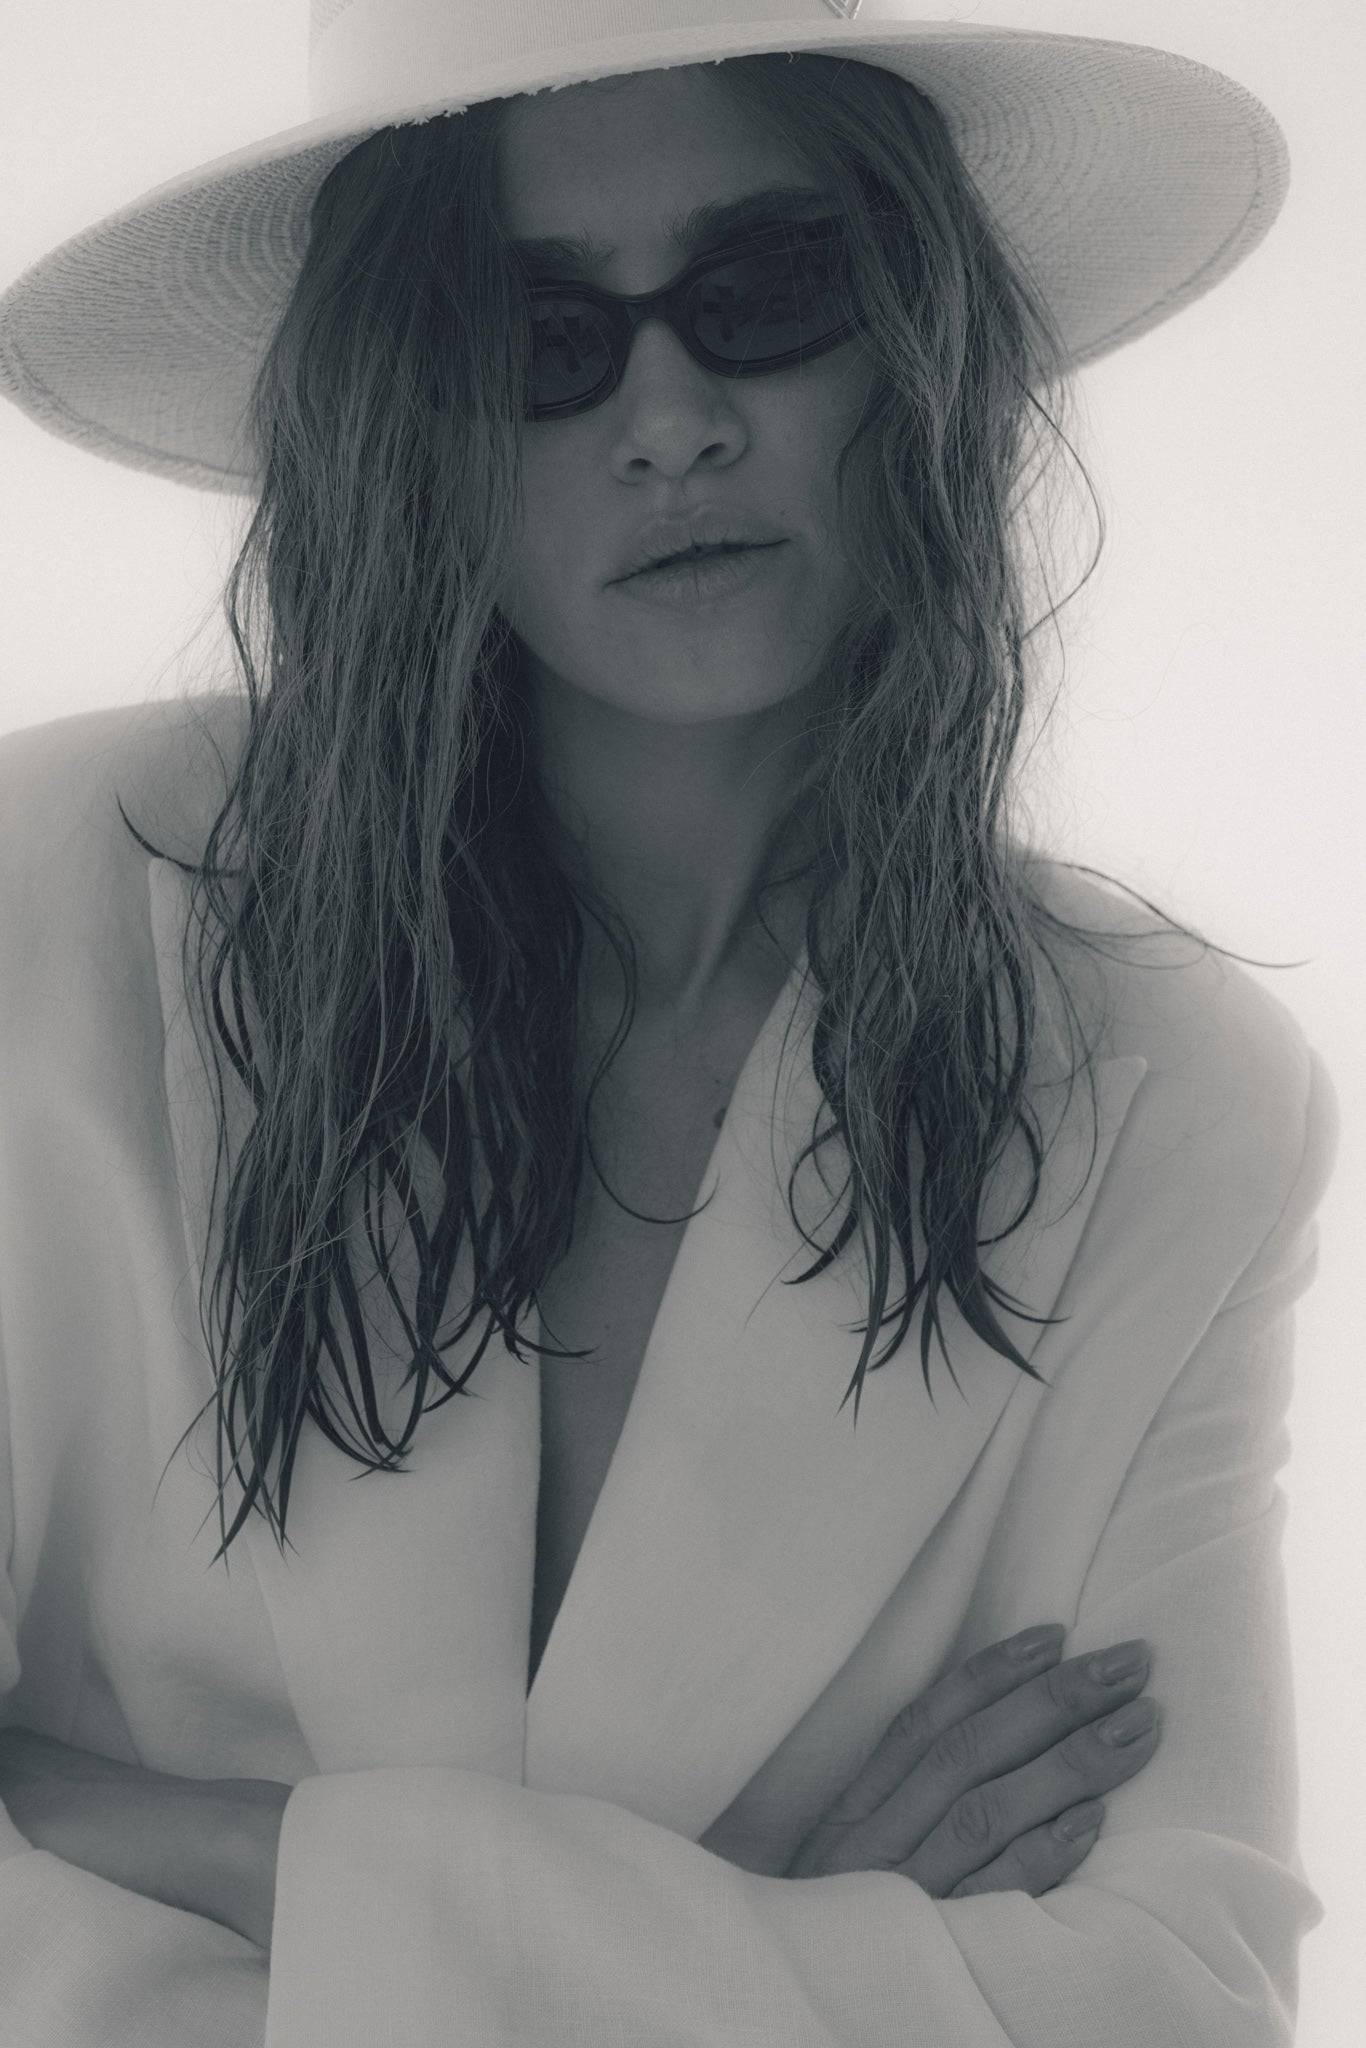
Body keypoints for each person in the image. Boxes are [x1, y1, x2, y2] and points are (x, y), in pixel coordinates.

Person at [0, 5, 1339, 2044]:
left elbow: (1172, 1997)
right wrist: (762, 1948)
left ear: (919, 332)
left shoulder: (1161, 1102)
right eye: (536, 339)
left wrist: (240, 1852)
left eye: (763, 293)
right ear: (395, 417)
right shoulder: (52, 905)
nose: (667, 419)